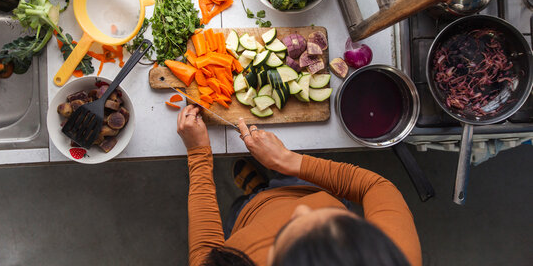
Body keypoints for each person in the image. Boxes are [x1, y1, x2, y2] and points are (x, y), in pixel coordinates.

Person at [178, 105, 422, 266]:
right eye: (338, 221)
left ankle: (256, 193)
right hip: (307, 186)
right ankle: (268, 185)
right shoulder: (392, 258)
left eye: (291, 231)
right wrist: (288, 160)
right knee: (293, 184)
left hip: (248, 219)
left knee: (244, 208)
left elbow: (205, 254)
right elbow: (377, 187)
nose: (303, 209)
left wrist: (198, 154)